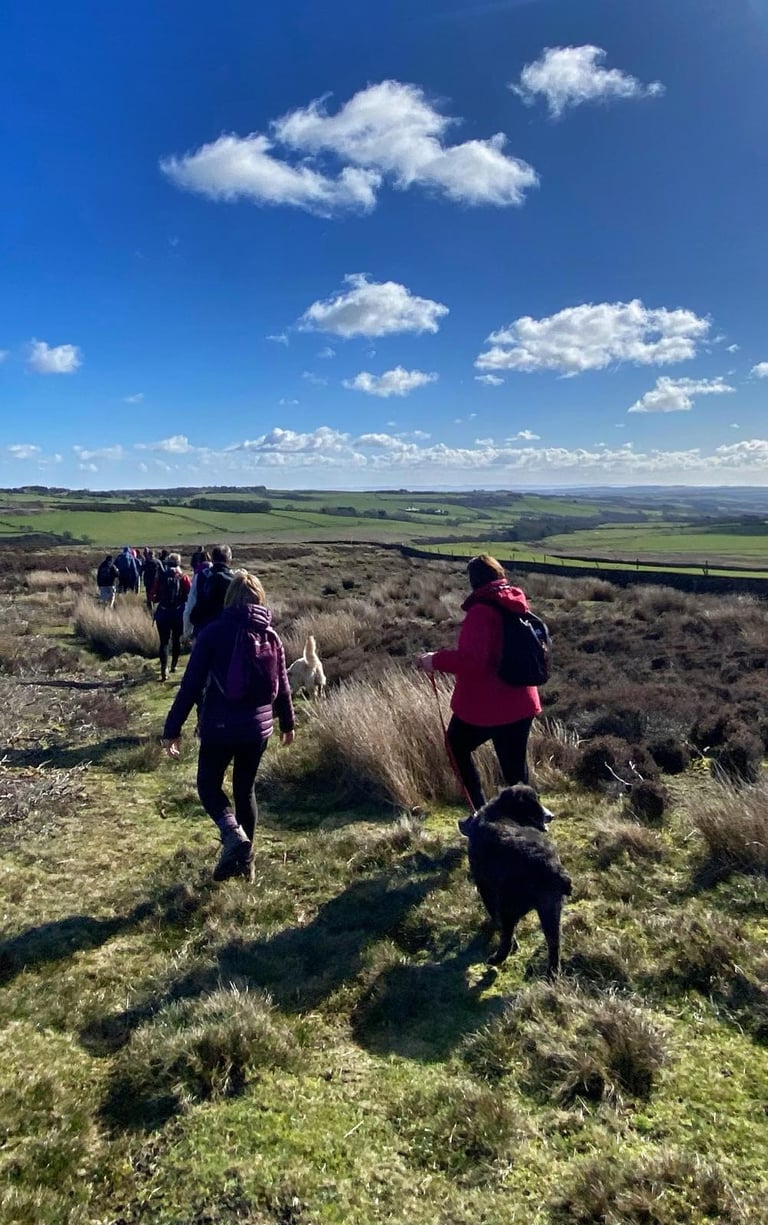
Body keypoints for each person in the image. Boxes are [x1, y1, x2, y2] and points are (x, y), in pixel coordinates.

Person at [162, 570, 295, 882]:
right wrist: (288, 723)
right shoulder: (271, 636)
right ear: (260, 600)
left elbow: (191, 685)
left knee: (208, 786)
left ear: (229, 599)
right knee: (244, 790)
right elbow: (283, 685)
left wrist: (172, 729)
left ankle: (234, 837)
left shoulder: (213, 634)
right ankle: (246, 865)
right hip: (258, 730)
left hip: (220, 726)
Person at [415, 554, 544, 814]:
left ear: (473, 580)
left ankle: (480, 814)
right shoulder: (515, 603)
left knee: (457, 745)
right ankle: (531, 818)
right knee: (515, 770)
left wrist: (434, 660)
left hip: (490, 705)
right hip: (523, 700)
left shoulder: (481, 611)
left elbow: (473, 661)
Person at [150, 552, 191, 682]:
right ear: (179, 563)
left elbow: (152, 594)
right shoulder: (183, 577)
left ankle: (164, 669)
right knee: (176, 640)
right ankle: (173, 665)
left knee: (164, 642)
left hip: (163, 612)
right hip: (178, 613)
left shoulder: (161, 576)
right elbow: (190, 594)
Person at [187, 544, 233, 637]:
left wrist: (187, 630)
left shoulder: (201, 576)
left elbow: (191, 603)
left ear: (212, 559)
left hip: (204, 628)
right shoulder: (235, 579)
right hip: (227, 629)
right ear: (229, 559)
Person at [182, 548, 212, 641]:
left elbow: (190, 606)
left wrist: (186, 632)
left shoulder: (198, 576)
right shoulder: (219, 573)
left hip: (201, 623)